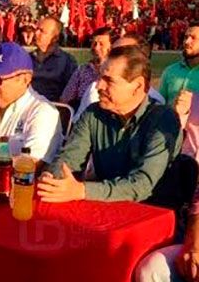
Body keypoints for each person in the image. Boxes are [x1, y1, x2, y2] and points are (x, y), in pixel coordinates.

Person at [37, 45, 181, 203]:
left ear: (138, 86)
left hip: (150, 214)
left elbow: (143, 185)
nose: (98, 86)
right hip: (102, 208)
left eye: (109, 81)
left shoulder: (163, 119)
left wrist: (83, 191)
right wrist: (51, 179)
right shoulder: (93, 113)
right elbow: (69, 158)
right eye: (99, 78)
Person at [73, 34, 166, 122]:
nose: (99, 86)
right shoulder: (93, 103)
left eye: (122, 53)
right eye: (112, 52)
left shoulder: (157, 107)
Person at [60, 27, 112, 109]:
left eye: (101, 44)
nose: (96, 48)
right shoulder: (82, 70)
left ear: (111, 47)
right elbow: (65, 99)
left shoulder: (115, 72)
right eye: (94, 43)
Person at [30, 16, 78, 102]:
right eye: (37, 29)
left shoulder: (67, 62)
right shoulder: (26, 58)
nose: (36, 33)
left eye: (42, 31)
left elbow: (71, 94)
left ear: (55, 38)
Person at [159, 22, 199, 105]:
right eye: (186, 37)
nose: (187, 42)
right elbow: (160, 104)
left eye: (193, 38)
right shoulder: (170, 71)